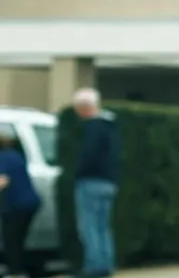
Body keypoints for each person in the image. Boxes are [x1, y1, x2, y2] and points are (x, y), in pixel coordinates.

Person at [73, 88, 121, 278]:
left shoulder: (93, 127)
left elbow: (89, 155)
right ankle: (106, 263)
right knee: (103, 226)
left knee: (89, 225)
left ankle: (94, 266)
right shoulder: (111, 126)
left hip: (91, 181)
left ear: (83, 107)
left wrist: (77, 172)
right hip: (109, 181)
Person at [0, 127, 42, 278]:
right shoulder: (15, 155)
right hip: (29, 203)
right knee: (17, 239)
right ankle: (17, 270)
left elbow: (3, 180)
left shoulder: (3, 158)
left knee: (11, 240)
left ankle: (16, 272)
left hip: (16, 205)